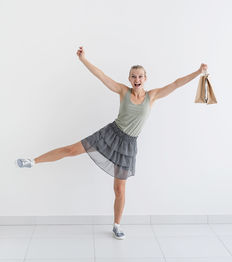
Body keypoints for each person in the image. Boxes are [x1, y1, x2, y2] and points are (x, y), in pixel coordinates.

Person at [15, 46, 208, 240]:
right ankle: (33, 161)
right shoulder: (123, 91)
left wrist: (198, 72)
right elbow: (102, 76)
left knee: (119, 189)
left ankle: (117, 225)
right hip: (110, 134)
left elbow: (176, 84)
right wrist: (83, 59)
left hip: (128, 145)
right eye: (133, 76)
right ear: (129, 79)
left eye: (140, 76)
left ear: (145, 78)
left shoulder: (153, 96)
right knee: (72, 149)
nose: (137, 80)